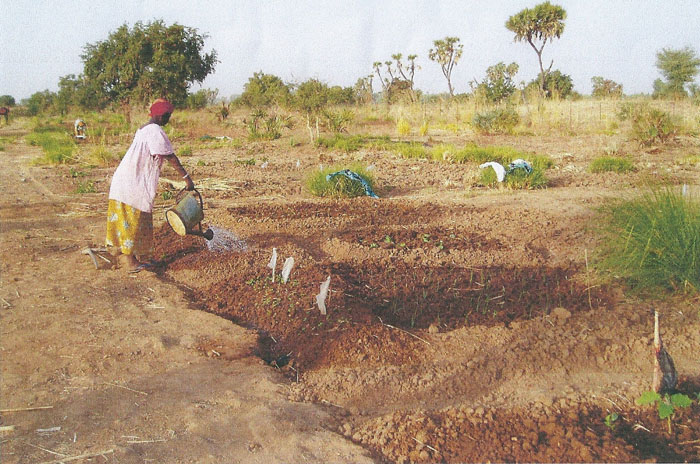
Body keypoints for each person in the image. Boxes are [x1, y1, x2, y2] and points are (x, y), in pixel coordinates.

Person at [105, 99, 194, 273]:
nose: (168, 119)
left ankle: (138, 258)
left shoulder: (144, 129)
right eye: (168, 116)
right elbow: (171, 157)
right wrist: (187, 178)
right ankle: (129, 261)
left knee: (138, 220)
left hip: (127, 180)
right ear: (162, 116)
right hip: (131, 183)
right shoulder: (155, 132)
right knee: (131, 221)